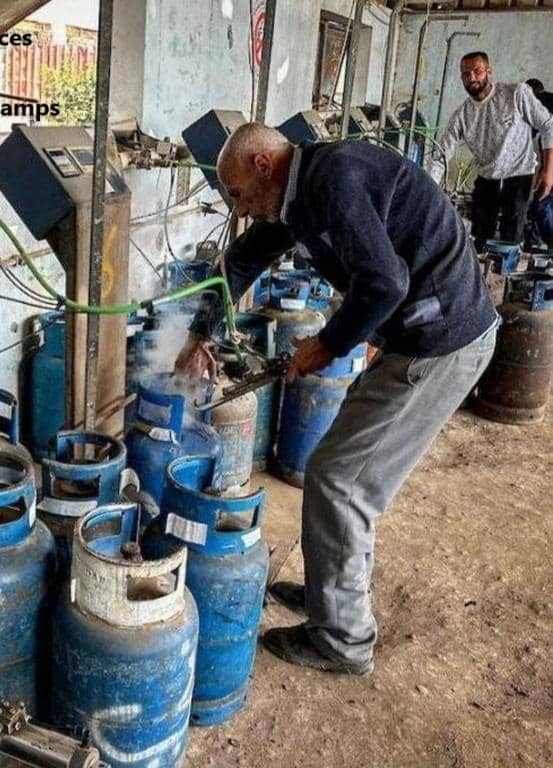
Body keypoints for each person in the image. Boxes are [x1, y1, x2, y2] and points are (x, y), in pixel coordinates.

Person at [175, 123, 499, 675]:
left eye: (236, 194)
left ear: (262, 165)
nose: (240, 209)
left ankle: (343, 638)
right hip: (413, 337)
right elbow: (243, 258)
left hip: (441, 342)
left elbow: (385, 283)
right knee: (342, 471)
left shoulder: (334, 179)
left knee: (341, 479)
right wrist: (201, 332)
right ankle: (332, 593)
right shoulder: (296, 193)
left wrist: (324, 346)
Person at [430, 52, 553, 251]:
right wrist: (429, 187)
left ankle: (507, 278)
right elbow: (442, 153)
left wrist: (548, 172)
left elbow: (548, 125)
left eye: (477, 71)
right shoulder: (462, 115)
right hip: (487, 177)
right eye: (466, 74)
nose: (472, 78)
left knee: (511, 236)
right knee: (481, 236)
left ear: (488, 71)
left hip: (519, 174)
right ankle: (481, 277)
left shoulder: (515, 94)